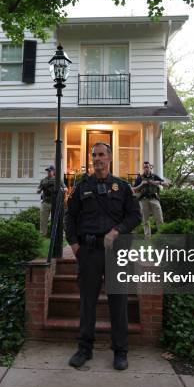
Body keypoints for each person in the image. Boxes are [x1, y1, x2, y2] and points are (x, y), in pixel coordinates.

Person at [65, 142, 141, 371]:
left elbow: (135, 216)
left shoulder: (122, 187)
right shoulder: (82, 187)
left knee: (118, 301)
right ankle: (84, 348)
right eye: (94, 155)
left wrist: (117, 231)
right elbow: (71, 218)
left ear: (109, 158)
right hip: (88, 251)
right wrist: (75, 245)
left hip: (115, 251)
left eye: (101, 155)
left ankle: (120, 351)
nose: (97, 158)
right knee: (87, 302)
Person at [132, 161, 169, 238]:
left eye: (147, 167)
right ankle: (147, 238)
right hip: (143, 200)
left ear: (150, 167)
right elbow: (133, 190)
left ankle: (161, 236)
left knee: (159, 219)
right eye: (145, 167)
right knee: (145, 221)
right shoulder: (139, 178)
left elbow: (167, 185)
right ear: (143, 168)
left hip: (154, 199)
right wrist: (141, 184)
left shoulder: (155, 176)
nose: (146, 169)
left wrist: (158, 182)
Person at [37, 165, 66, 236]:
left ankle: (59, 234)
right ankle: (42, 234)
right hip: (46, 202)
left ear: (54, 171)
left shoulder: (58, 180)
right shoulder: (44, 180)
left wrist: (60, 190)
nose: (48, 172)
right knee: (43, 220)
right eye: (47, 171)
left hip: (55, 203)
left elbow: (65, 188)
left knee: (57, 220)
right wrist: (39, 190)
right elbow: (38, 190)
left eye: (50, 171)